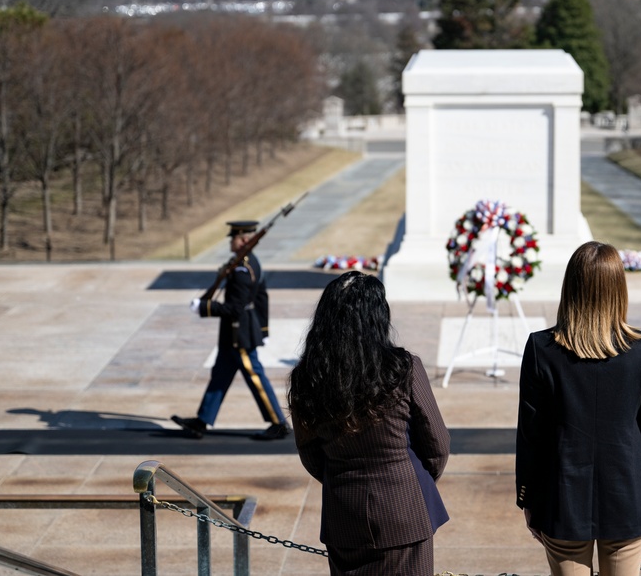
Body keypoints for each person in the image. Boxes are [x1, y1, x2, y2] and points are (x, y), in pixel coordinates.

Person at [516, 241, 641, 576]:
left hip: (562, 497)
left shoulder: (541, 349)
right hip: (628, 497)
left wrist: (527, 497)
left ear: (570, 287)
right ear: (619, 289)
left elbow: (531, 436)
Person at [288, 270, 450, 576]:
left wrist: (343, 478)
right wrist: (411, 480)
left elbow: (309, 452)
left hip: (343, 512)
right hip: (404, 509)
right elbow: (437, 444)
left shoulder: (308, 376)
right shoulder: (404, 368)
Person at [172, 220, 290, 441]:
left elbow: (235, 308)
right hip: (234, 334)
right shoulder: (248, 262)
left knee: (255, 376)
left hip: (240, 334)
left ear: (244, 240)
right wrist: (263, 328)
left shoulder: (243, 269)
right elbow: (261, 297)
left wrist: (204, 307)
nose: (230, 241)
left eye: (233, 238)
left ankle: (279, 422)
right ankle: (202, 421)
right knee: (220, 376)